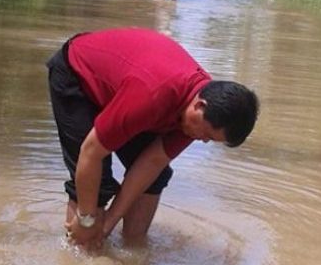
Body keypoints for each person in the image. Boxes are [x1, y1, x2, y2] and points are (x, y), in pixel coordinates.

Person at [46, 28, 259, 251]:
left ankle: (133, 246)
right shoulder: (153, 94)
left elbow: (152, 162)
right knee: (94, 189)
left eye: (210, 140)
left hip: (126, 90)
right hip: (78, 75)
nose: (203, 141)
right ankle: (75, 260)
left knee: (155, 178)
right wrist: (87, 219)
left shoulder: (197, 114)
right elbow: (91, 152)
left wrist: (108, 224)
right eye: (207, 135)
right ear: (199, 106)